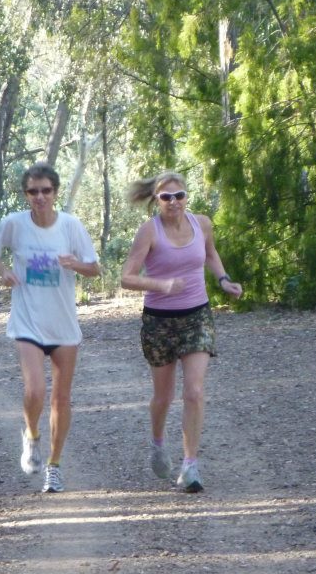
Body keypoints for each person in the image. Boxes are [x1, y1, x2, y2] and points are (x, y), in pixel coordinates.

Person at [0, 162, 101, 493]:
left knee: (62, 399)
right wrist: (4, 271)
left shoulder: (71, 226)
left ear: (55, 192)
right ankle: (31, 434)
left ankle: (54, 465)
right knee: (35, 391)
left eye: (46, 190)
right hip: (27, 321)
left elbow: (95, 268)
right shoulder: (15, 225)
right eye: (33, 191)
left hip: (63, 325)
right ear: (26, 194)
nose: (40, 197)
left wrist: (74, 264)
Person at [120, 171, 242, 493]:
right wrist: (162, 285)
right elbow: (127, 278)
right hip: (159, 320)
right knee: (163, 396)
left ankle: (190, 465)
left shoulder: (201, 224)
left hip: (196, 316)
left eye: (179, 196)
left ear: (188, 197)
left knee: (195, 391)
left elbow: (211, 254)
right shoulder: (149, 231)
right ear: (156, 200)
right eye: (166, 197)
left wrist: (223, 280)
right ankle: (158, 442)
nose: (173, 202)